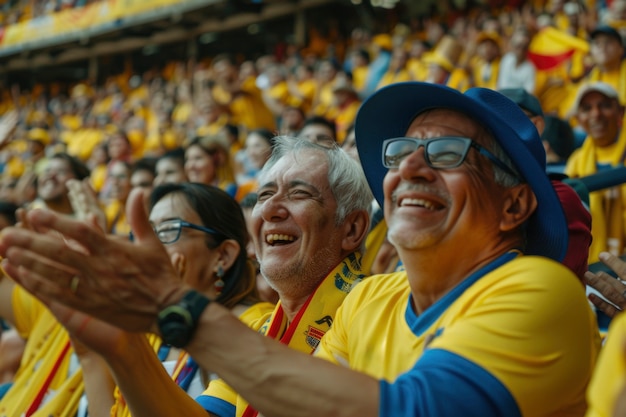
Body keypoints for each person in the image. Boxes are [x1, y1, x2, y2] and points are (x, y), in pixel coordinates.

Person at [0, 83, 600, 417]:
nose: (411, 167)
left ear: (516, 206)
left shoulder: (539, 291)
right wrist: (128, 346)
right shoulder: (369, 302)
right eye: (398, 153)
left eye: (447, 153)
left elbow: (412, 411)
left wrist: (175, 312)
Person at [565, 82, 626, 263]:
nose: (596, 114)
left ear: (621, 111)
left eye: (605, 106)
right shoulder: (576, 161)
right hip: (592, 267)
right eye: (586, 108)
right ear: (578, 118)